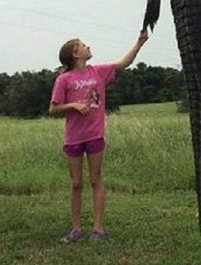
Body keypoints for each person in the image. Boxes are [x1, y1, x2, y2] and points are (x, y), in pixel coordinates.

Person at [49, 30, 149, 242]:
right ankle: (75, 229)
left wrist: (139, 43)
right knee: (76, 183)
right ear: (75, 54)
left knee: (96, 179)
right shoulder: (63, 79)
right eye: (83, 45)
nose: (88, 47)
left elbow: (123, 63)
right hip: (74, 137)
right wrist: (73, 105)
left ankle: (98, 229)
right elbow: (53, 109)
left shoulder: (98, 72)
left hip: (95, 135)